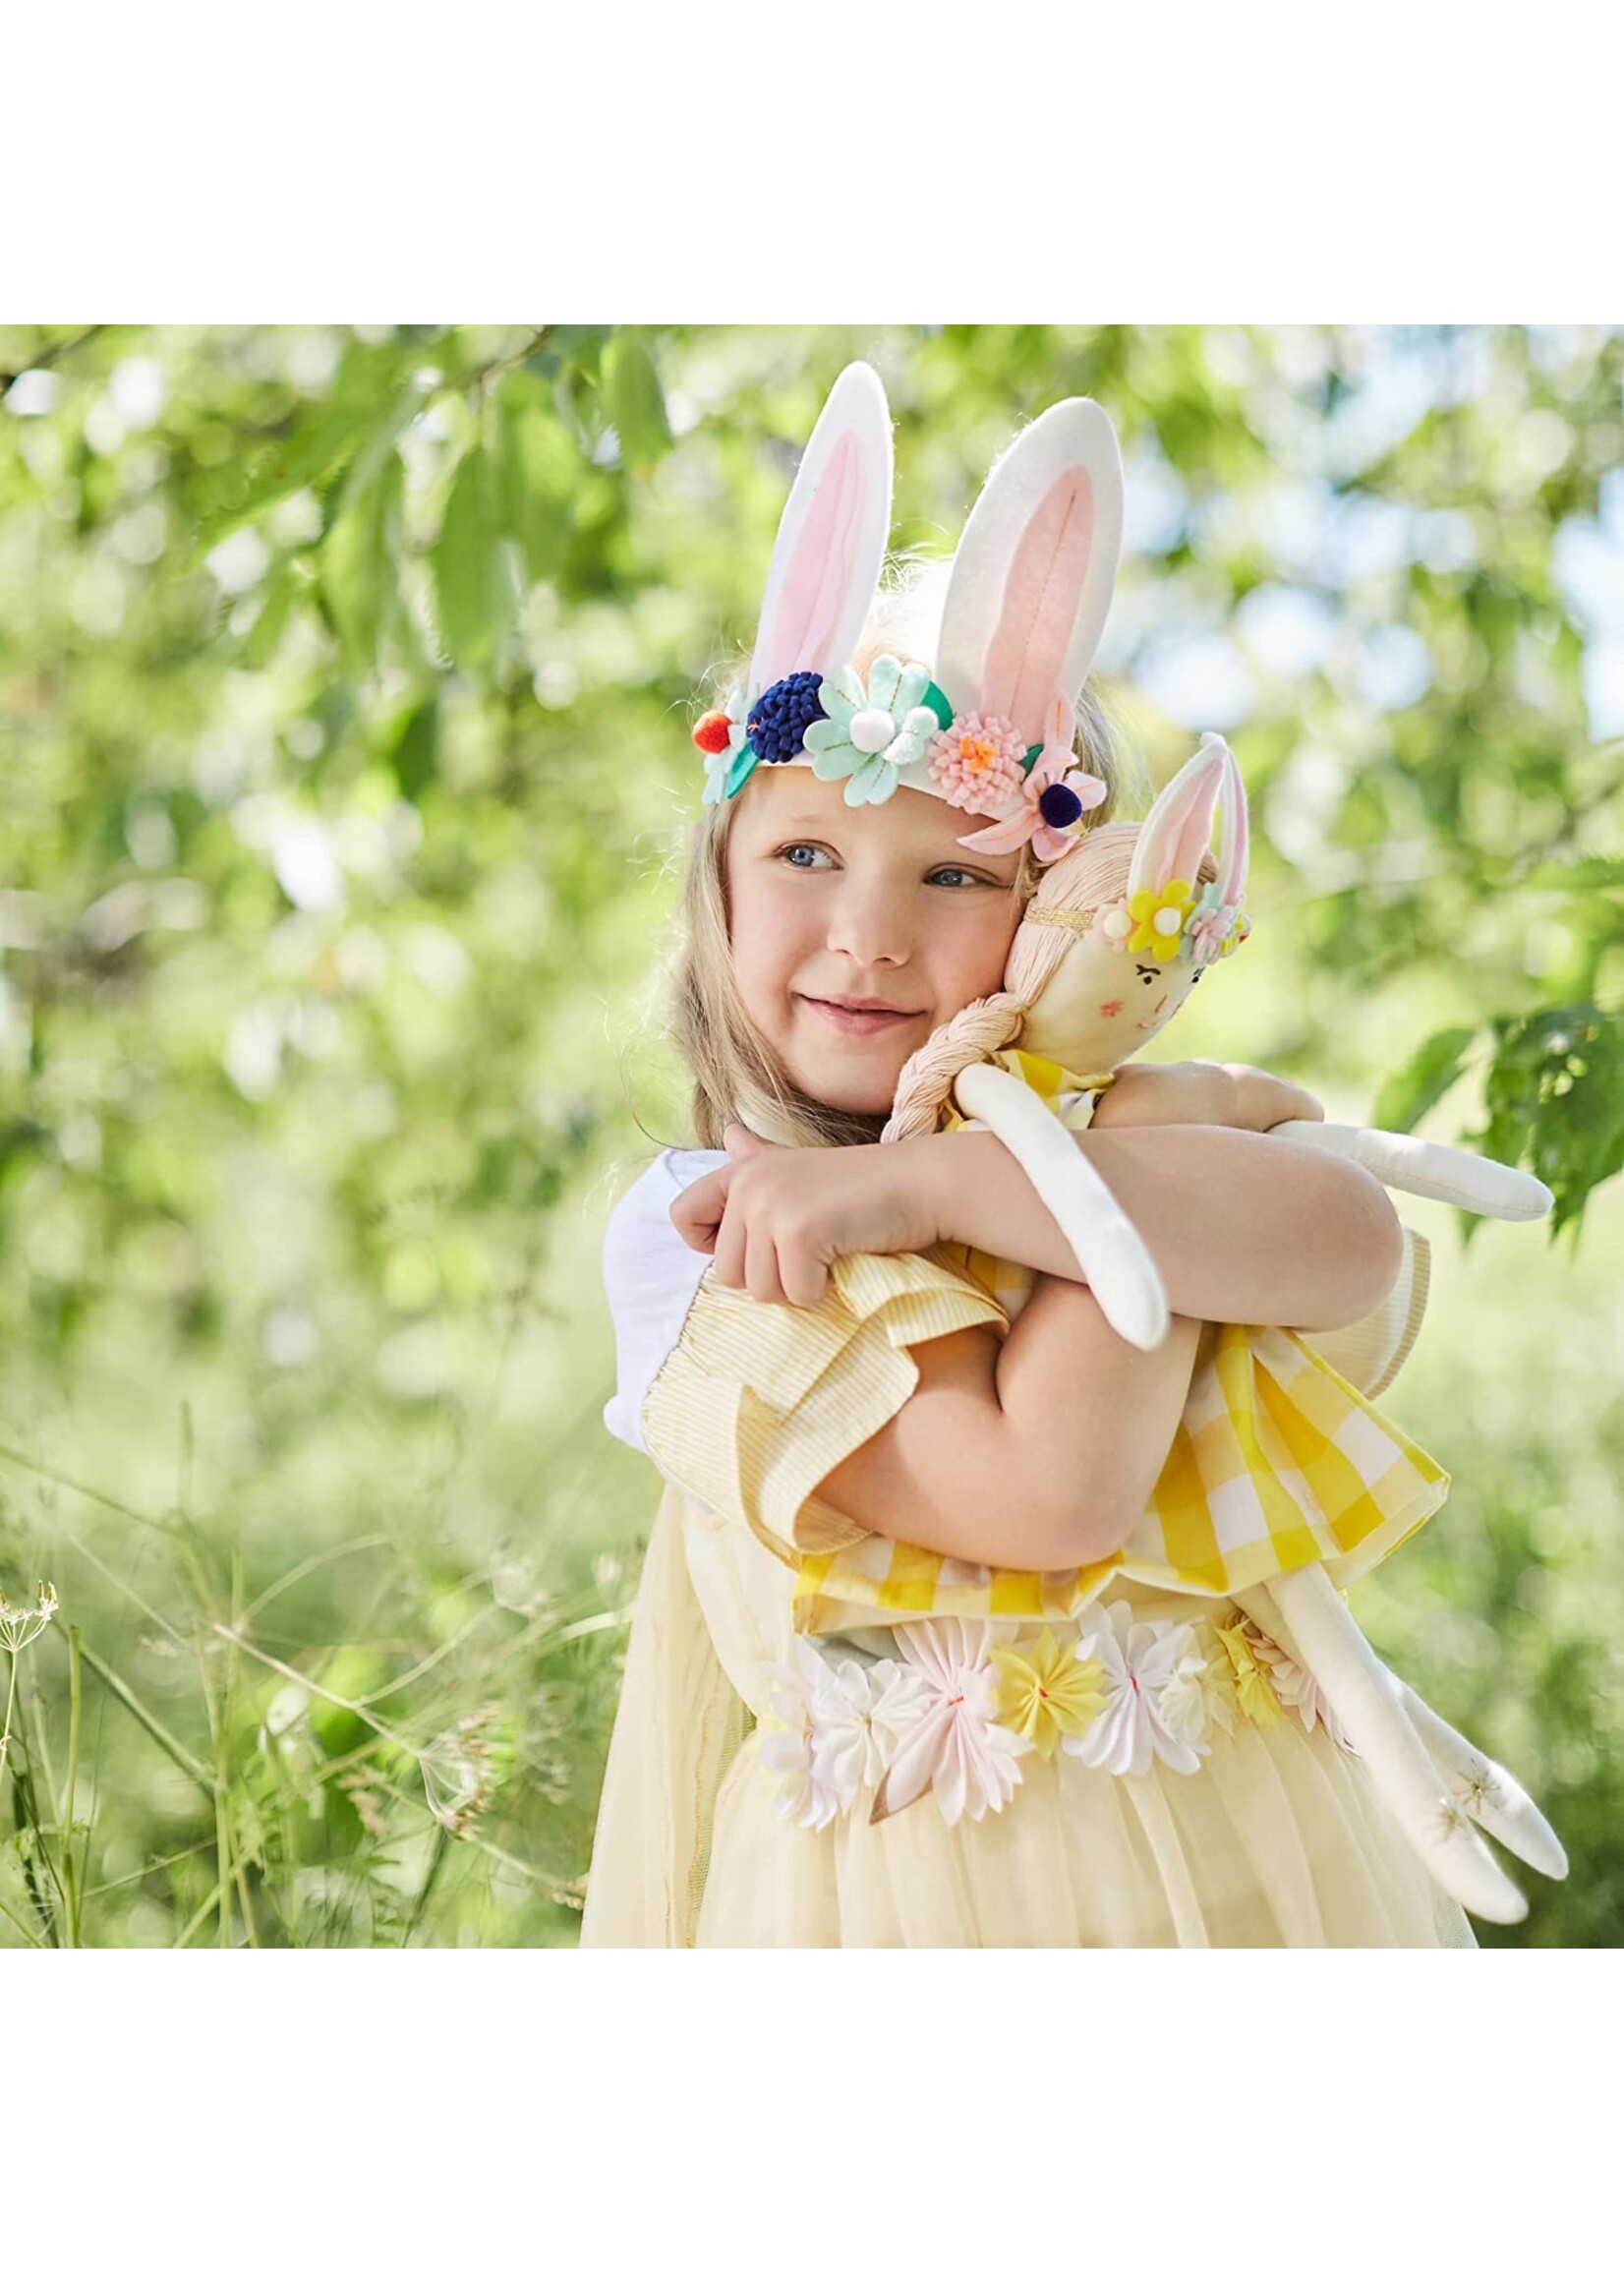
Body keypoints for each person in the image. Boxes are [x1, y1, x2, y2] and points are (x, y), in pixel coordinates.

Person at [578, 367, 1486, 1948]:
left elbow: (1354, 1242)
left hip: (1250, 1875)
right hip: (925, 1908)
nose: (869, 931)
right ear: (716, 884)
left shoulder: (1101, 1135)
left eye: (952, 871)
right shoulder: (713, 1227)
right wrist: (1104, 1174)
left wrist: (972, 1168)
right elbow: (1051, 1486)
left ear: (1061, 919)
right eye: (805, 853)